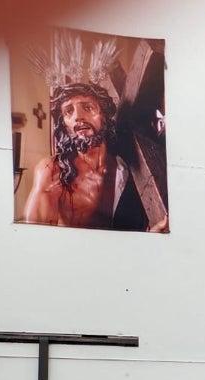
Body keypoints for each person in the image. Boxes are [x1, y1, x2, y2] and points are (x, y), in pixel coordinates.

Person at [24, 33, 168, 232]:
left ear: (105, 116)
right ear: (63, 122)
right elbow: (33, 239)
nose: (78, 117)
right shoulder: (53, 171)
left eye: (87, 107)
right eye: (68, 111)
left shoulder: (128, 168)